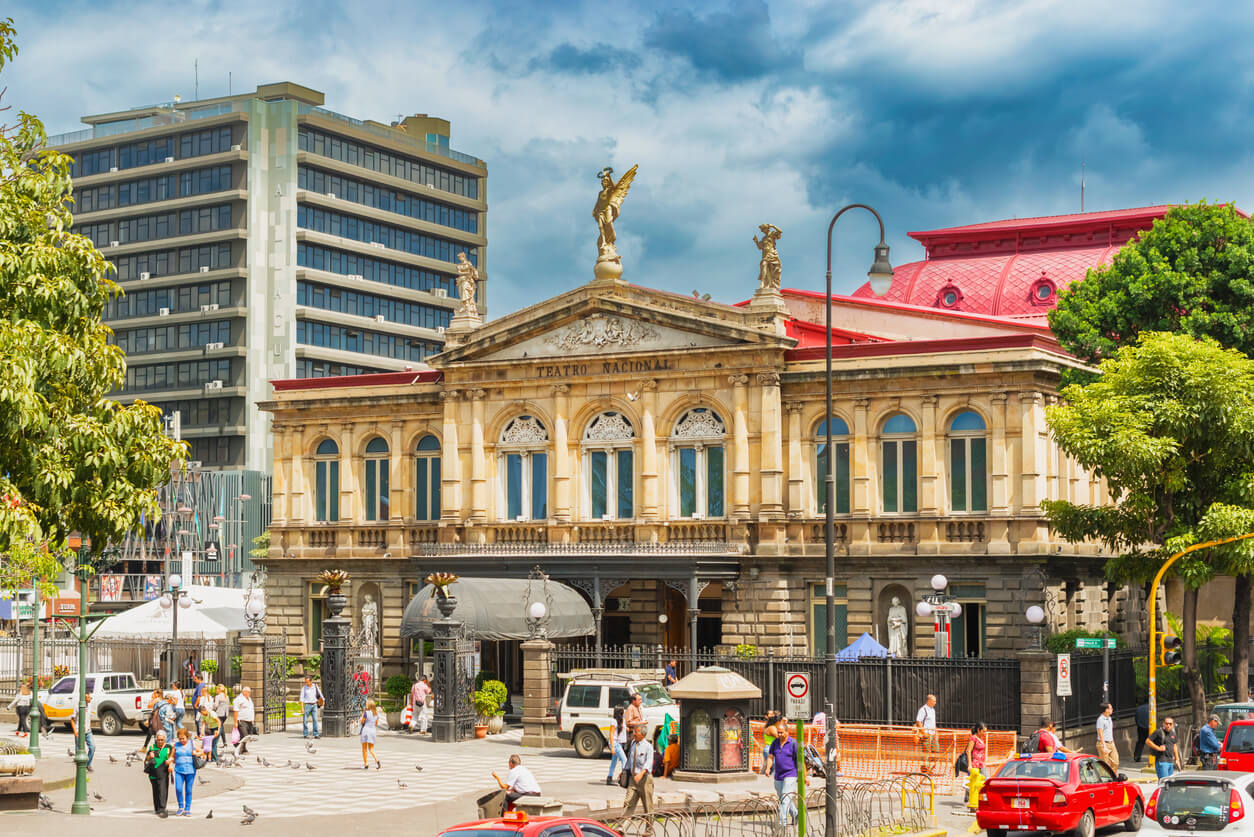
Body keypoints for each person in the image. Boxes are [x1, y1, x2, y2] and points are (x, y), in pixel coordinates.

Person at [765, 717, 799, 825]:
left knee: (784, 798)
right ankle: (795, 814)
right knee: (783, 797)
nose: (779, 735)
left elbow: (800, 761)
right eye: (778, 733)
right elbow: (770, 756)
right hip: (778, 775)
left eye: (781, 733)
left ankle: (782, 823)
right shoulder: (775, 743)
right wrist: (768, 768)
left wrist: (805, 776)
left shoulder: (793, 743)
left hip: (791, 774)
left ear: (787, 732)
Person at [172, 726, 205, 816]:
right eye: (180, 738)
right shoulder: (176, 745)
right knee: (178, 788)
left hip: (190, 770)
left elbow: (202, 752)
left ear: (187, 737)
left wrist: (195, 753)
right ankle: (180, 807)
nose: (182, 740)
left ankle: (187, 809)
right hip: (179, 770)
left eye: (183, 738)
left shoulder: (192, 743)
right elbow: (172, 756)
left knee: (188, 790)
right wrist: (170, 762)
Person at [624, 726, 655, 815]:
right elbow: (630, 759)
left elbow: (648, 763)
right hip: (633, 779)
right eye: (634, 731)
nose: (634, 734)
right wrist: (624, 771)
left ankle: (649, 828)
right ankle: (621, 827)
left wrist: (641, 773)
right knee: (628, 803)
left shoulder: (648, 747)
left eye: (636, 732)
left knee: (648, 807)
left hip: (645, 780)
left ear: (642, 734)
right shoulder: (633, 744)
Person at [145, 729, 173, 818]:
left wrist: (170, 763)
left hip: (163, 771)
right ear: (156, 739)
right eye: (158, 739)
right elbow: (146, 759)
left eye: (162, 740)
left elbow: (172, 758)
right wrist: (150, 756)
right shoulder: (152, 747)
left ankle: (162, 808)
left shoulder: (169, 747)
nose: (160, 741)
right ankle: (157, 808)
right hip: (153, 771)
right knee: (155, 790)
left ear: (165, 739)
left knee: (163, 790)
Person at [68, 691, 96, 772]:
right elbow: (72, 720)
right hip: (79, 731)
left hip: (87, 731)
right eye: (88, 697)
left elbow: (89, 717)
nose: (90, 698)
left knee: (92, 747)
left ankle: (88, 764)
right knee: (78, 750)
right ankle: (79, 768)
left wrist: (89, 727)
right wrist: (75, 732)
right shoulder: (77, 706)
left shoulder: (90, 705)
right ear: (84, 699)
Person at [963, 722, 987, 803]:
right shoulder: (973, 738)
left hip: (982, 763)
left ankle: (982, 798)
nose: (984, 733)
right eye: (983, 731)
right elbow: (968, 751)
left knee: (984, 780)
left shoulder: (982, 739)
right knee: (973, 781)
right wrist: (970, 764)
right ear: (978, 730)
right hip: (975, 763)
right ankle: (968, 797)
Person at [606, 705, 628, 786]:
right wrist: (612, 747)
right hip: (615, 743)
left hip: (620, 743)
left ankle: (609, 777)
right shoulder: (614, 721)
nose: (624, 713)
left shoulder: (622, 720)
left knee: (614, 761)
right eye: (623, 712)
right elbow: (611, 734)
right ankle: (623, 779)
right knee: (624, 760)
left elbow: (624, 729)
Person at [916, 694, 939, 773]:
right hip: (927, 734)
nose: (935, 703)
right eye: (934, 701)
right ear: (929, 701)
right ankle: (924, 767)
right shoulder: (923, 710)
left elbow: (933, 722)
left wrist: (936, 731)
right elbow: (918, 721)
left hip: (933, 733)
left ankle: (930, 766)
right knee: (926, 751)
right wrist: (923, 732)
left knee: (935, 750)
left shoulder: (933, 710)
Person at [1096, 703, 1119, 772]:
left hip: (1111, 743)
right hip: (1103, 743)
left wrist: (1112, 742)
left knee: (1115, 761)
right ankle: (1106, 778)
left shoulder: (1109, 718)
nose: (1112, 710)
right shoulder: (1100, 719)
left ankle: (1112, 776)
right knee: (1105, 764)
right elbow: (1100, 733)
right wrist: (1104, 746)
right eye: (1110, 708)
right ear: (1106, 710)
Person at [233, 685, 256, 755]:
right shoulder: (238, 699)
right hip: (242, 720)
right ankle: (241, 748)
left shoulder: (249, 699)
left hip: (249, 720)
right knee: (244, 735)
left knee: (247, 735)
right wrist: (235, 722)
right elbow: (236, 711)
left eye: (250, 692)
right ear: (244, 692)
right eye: (248, 692)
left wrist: (252, 720)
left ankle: (241, 747)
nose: (249, 693)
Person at [360, 699, 381, 769]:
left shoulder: (366, 713)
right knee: (371, 749)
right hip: (373, 731)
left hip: (366, 731)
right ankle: (377, 761)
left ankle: (366, 764)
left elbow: (362, 722)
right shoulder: (376, 713)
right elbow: (376, 723)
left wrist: (362, 715)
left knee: (364, 749)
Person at [212, 684, 230, 759]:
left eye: (217, 689)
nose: (216, 691)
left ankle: (221, 741)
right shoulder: (226, 696)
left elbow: (215, 705)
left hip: (220, 713)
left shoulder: (218, 696)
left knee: (220, 727)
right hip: (226, 714)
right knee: (222, 726)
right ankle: (224, 742)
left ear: (219, 690)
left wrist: (212, 703)